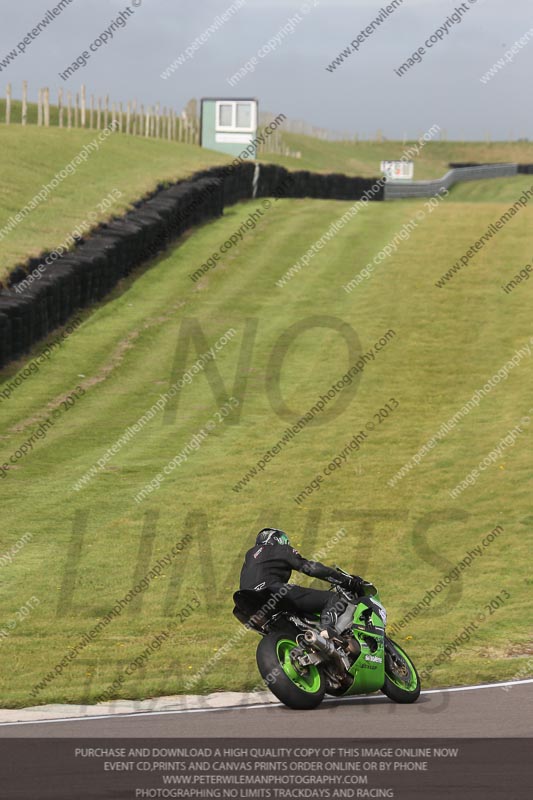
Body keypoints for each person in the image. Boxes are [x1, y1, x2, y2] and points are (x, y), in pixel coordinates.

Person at [239, 527, 365, 638]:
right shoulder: (278, 549)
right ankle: (326, 631)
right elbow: (310, 568)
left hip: (246, 605)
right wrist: (347, 582)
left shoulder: (248, 561)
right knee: (335, 599)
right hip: (273, 592)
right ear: (278, 540)